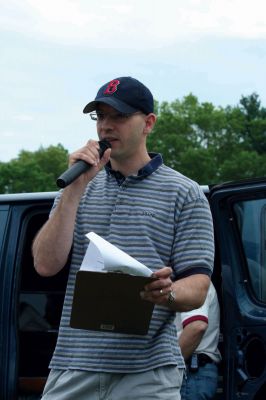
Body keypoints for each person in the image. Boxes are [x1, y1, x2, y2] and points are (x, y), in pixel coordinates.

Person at [32, 76, 214, 400]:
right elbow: (45, 264)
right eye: (100, 116)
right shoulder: (77, 187)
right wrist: (74, 190)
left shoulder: (184, 193)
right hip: (75, 363)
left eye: (118, 116)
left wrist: (168, 293)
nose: (106, 126)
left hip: (148, 371)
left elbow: (198, 286)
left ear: (148, 123)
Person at [175, 282, 221, 400]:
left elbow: (196, 327)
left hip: (191, 374)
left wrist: (169, 366)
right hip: (193, 373)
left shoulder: (192, 283)